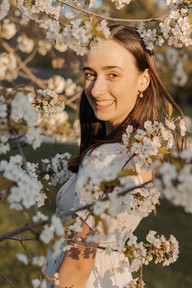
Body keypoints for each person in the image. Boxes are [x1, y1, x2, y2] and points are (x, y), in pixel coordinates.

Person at [44, 25, 184, 288]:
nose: (96, 90)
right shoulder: (143, 148)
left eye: (113, 74)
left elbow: (78, 262)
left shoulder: (106, 158)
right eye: (90, 74)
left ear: (143, 80)